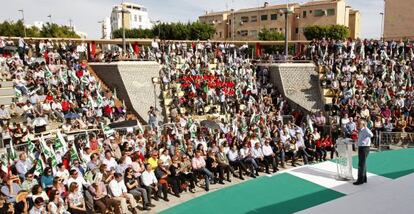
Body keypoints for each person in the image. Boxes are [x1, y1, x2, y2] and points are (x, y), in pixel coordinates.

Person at [353, 119, 373, 185]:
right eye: (357, 124)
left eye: (359, 124)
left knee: (361, 164)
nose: (357, 125)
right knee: (363, 163)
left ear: (363, 124)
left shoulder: (365, 130)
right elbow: (361, 139)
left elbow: (371, 135)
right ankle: (364, 178)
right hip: (361, 147)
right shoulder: (361, 131)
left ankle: (360, 180)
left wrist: (366, 127)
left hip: (364, 148)